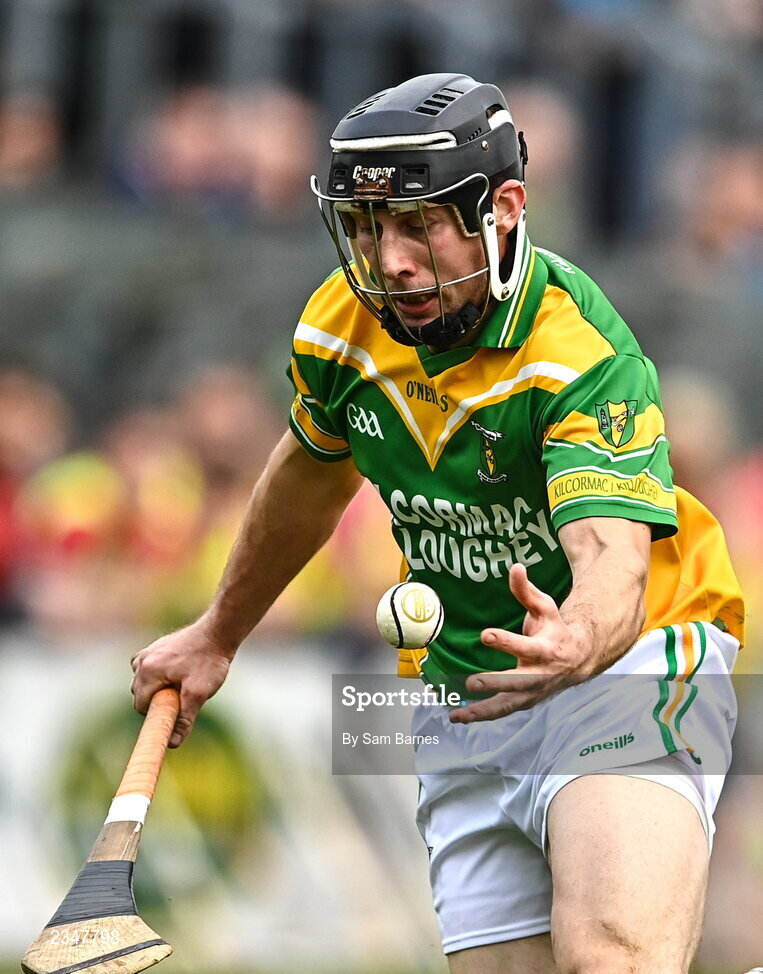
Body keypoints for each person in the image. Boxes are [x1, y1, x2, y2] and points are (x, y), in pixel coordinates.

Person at [131, 73, 745, 974]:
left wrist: (578, 637)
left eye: (418, 223)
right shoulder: (342, 329)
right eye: (367, 226)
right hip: (463, 694)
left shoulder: (576, 354)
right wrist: (217, 634)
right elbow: (310, 471)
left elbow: (610, 559)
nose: (390, 260)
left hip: (625, 660)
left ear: (501, 210)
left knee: (612, 960)